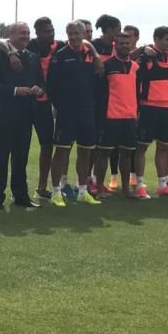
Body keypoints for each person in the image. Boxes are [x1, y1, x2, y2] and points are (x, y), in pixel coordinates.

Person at [0, 22, 44, 209]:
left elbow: (42, 83)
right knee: (0, 158)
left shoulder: (33, 58)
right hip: (3, 116)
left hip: (25, 116)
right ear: (11, 35)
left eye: (27, 33)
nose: (25, 36)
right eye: (21, 33)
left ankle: (21, 196)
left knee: (21, 159)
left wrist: (39, 89)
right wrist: (16, 90)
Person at [47, 21, 103, 206]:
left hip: (87, 111)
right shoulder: (60, 56)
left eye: (77, 33)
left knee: (86, 152)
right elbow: (52, 85)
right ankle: (56, 192)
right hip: (67, 112)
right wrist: (60, 106)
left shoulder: (90, 55)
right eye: (70, 33)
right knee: (62, 152)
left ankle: (82, 191)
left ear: (83, 34)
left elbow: (98, 80)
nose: (73, 37)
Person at [94, 33, 140, 198]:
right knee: (104, 154)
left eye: (127, 43)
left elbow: (137, 91)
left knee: (127, 154)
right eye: (121, 43)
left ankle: (126, 189)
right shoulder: (106, 65)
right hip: (110, 117)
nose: (125, 46)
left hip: (130, 117)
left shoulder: (135, 66)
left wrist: (137, 111)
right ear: (115, 45)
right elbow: (99, 93)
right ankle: (99, 189)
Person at [136, 26, 168, 198]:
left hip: (166, 107)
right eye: (166, 39)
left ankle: (163, 184)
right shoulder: (145, 56)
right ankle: (139, 185)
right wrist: (143, 52)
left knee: (163, 147)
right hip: (148, 107)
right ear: (156, 39)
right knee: (141, 148)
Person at [27, 17, 58, 200]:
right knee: (19, 146)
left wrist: (94, 55)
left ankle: (41, 187)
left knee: (47, 145)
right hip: (26, 103)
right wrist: (11, 54)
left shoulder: (58, 47)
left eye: (52, 30)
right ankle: (18, 189)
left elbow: (84, 42)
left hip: (45, 104)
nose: (51, 34)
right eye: (46, 31)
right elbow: (2, 43)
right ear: (37, 33)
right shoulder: (27, 46)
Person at [91, 14, 123, 194]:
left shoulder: (115, 48)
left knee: (104, 145)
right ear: (110, 30)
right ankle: (87, 180)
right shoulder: (94, 45)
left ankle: (96, 180)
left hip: (111, 101)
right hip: (95, 100)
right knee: (92, 145)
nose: (119, 33)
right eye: (118, 29)